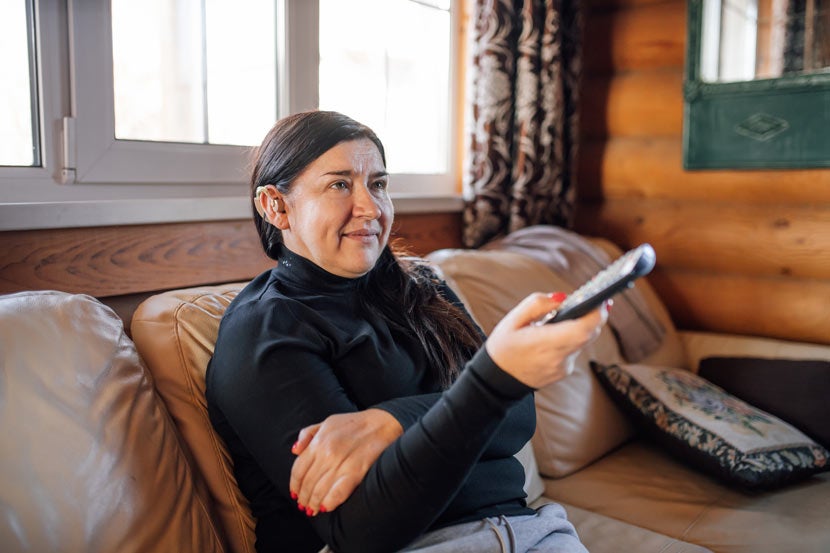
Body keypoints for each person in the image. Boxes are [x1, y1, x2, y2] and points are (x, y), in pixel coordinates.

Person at [206, 110, 608, 553]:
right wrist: (492, 383)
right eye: (340, 184)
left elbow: (517, 420)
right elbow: (361, 531)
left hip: (530, 531)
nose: (371, 207)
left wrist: (391, 421)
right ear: (276, 206)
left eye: (377, 184)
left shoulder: (421, 286)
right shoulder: (264, 330)